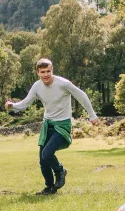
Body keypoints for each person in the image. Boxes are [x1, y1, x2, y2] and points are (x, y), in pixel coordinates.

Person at [4, 58, 98, 195]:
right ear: (38, 73)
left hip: (63, 125)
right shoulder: (37, 86)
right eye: (43, 72)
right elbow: (25, 103)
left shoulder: (63, 84)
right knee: (43, 160)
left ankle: (60, 170)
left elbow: (81, 96)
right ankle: (50, 187)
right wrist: (12, 106)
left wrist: (92, 115)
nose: (46, 75)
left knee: (47, 153)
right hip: (48, 125)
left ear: (52, 70)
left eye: (48, 71)